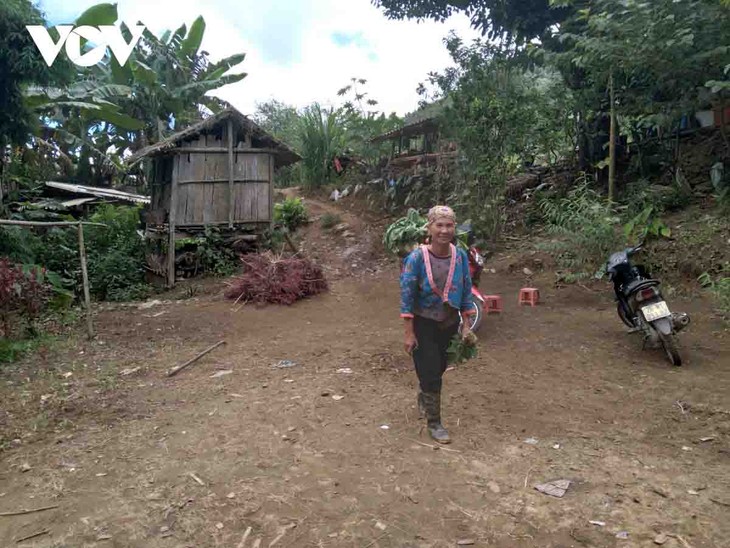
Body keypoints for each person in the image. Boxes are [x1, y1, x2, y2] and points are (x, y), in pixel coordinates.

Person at [399, 205, 475, 444]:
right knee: (432, 373)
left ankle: (425, 394)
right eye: (439, 225)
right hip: (424, 323)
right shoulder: (416, 258)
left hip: (449, 322)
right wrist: (409, 333)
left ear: (455, 228)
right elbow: (407, 297)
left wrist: (466, 325)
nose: (444, 230)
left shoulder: (459, 255)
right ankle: (435, 423)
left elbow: (465, 289)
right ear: (429, 228)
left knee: (440, 366)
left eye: (449, 225)